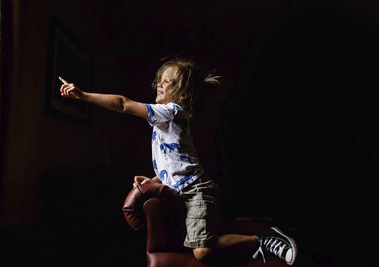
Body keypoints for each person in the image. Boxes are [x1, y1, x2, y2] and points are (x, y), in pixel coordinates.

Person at [59, 57, 297, 265]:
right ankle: (250, 247)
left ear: (183, 94)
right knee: (199, 246)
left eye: (167, 81)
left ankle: (265, 238)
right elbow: (175, 164)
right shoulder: (164, 121)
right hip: (185, 191)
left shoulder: (172, 111)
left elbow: (123, 104)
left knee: (202, 252)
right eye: (159, 80)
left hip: (196, 191)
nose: (159, 84)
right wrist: (154, 178)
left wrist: (83, 95)